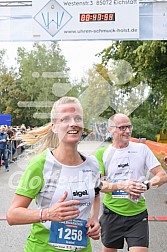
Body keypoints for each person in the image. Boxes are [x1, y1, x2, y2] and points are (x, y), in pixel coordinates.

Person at [7, 96, 101, 252]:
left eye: (78, 118)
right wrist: (48, 213)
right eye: (65, 119)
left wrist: (94, 219)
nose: (73, 123)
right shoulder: (41, 164)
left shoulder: (92, 164)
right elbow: (12, 215)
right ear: (55, 127)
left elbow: (96, 194)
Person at [95, 113, 167, 252]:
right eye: (122, 128)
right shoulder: (102, 153)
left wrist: (146, 185)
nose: (127, 131)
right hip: (112, 213)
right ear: (110, 129)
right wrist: (121, 185)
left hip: (137, 214)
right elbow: (99, 185)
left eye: (129, 127)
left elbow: (162, 175)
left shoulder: (142, 149)